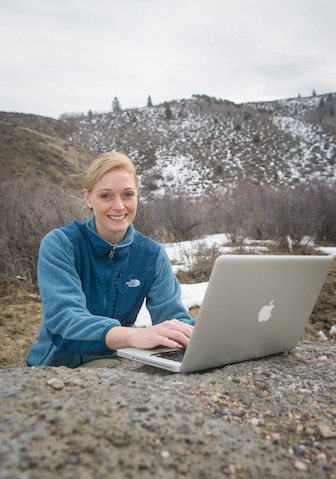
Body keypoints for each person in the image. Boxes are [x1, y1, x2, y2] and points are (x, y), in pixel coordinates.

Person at [27, 152, 195, 368]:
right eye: (106, 195)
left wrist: (216, 327)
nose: (118, 206)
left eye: (127, 194)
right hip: (57, 367)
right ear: (88, 198)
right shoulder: (61, 244)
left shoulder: (152, 256)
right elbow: (64, 321)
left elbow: (173, 318)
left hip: (117, 362)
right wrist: (133, 336)